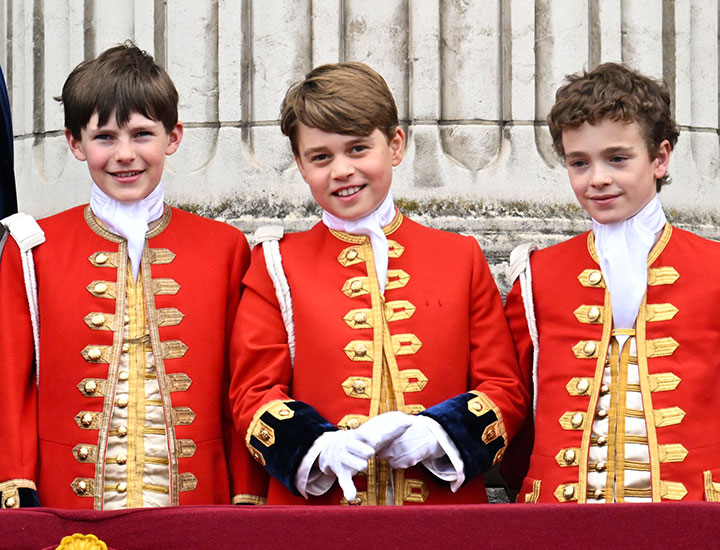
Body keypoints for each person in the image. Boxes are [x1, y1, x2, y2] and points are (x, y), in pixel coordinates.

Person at [229, 62, 527, 505]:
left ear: (395, 145)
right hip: (317, 522)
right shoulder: (276, 263)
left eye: (357, 149)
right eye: (321, 157)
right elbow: (252, 393)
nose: (342, 170)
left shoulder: (459, 257)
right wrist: (318, 446)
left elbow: (504, 388)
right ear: (300, 165)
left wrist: (440, 434)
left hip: (442, 520)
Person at [0, 42, 266, 509]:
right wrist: (16, 485)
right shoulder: (32, 247)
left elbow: (236, 387)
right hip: (68, 506)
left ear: (174, 137)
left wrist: (247, 497)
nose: (125, 154)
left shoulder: (226, 247)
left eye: (142, 134)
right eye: (104, 137)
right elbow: (11, 383)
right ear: (75, 143)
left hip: (199, 506)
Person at [503, 62, 720, 503]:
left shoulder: (715, 267)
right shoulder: (536, 277)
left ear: (660, 158)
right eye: (578, 163)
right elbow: (517, 406)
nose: (597, 178)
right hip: (559, 522)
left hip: (694, 520)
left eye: (617, 159)